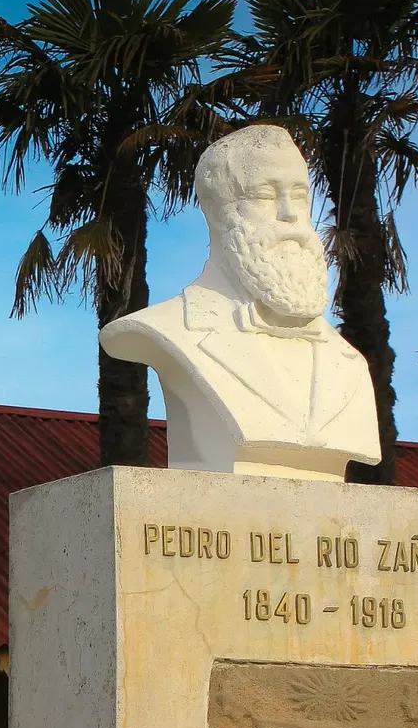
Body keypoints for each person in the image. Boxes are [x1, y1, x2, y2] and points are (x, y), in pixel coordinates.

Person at [101, 125, 379, 481]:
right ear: (218, 211)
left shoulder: (349, 361)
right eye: (265, 195)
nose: (289, 213)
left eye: (298, 194)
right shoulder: (171, 328)